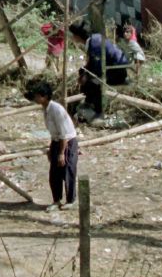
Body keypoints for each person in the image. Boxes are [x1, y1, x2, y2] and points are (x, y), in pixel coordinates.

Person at [29, 80, 79, 211]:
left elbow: (64, 134)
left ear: (44, 96)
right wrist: (52, 149)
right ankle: (56, 200)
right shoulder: (46, 109)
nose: (35, 98)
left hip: (67, 141)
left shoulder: (56, 109)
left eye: (36, 96)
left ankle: (71, 200)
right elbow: (54, 132)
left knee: (68, 170)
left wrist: (62, 153)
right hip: (56, 141)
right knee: (54, 173)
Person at [69, 22, 129, 120]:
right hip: (113, 67)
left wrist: (87, 76)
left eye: (73, 35)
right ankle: (89, 102)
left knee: (93, 83)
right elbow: (93, 62)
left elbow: (98, 67)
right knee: (83, 72)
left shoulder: (94, 44)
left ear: (77, 36)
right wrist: (84, 72)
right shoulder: (95, 38)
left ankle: (98, 111)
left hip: (116, 72)